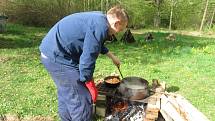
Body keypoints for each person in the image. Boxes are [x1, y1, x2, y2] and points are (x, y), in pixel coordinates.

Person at [39, 6, 129, 121]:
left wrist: (111, 56)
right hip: (58, 58)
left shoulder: (100, 18)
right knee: (81, 98)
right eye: (121, 29)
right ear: (117, 23)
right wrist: (88, 83)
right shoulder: (100, 26)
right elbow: (88, 58)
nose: (118, 33)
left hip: (52, 53)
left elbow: (94, 42)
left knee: (67, 93)